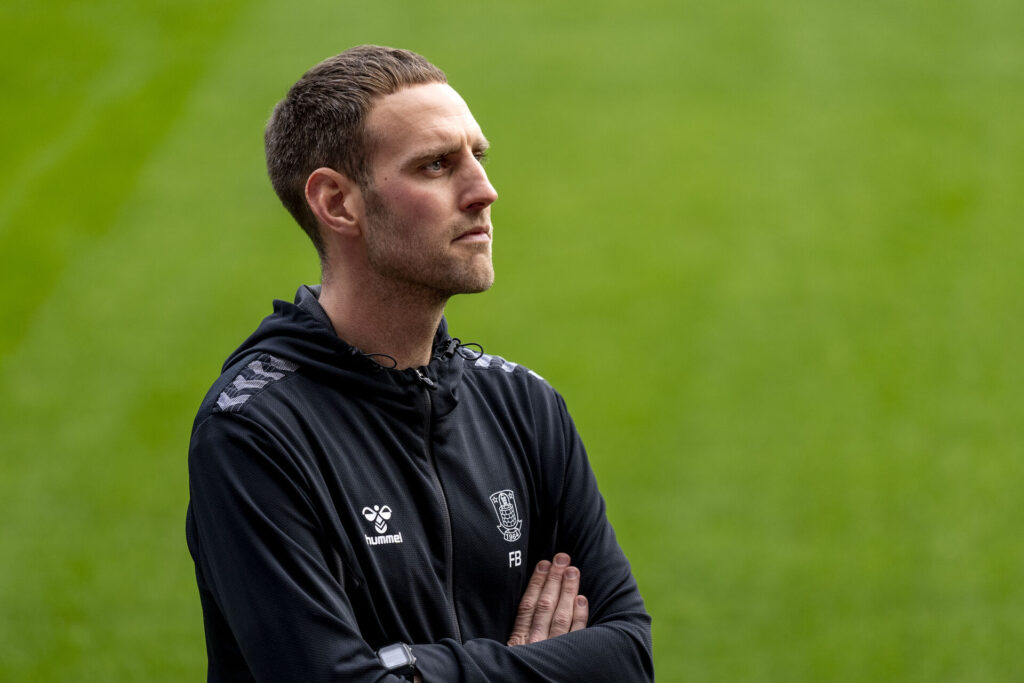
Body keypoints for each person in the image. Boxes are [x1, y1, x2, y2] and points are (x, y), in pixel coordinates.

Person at [186, 45, 653, 682]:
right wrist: (538, 669)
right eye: (436, 166)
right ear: (338, 203)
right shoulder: (255, 431)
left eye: (477, 157)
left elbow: (626, 654)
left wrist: (413, 670)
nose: (484, 192)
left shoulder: (524, 406)